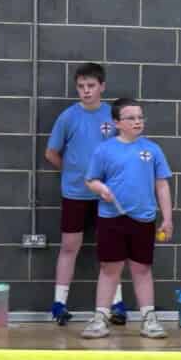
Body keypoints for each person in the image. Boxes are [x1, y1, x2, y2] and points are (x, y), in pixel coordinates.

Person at [81, 98, 173, 340]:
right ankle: (100, 318)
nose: (137, 122)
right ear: (117, 123)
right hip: (111, 218)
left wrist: (167, 218)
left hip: (143, 218)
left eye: (140, 117)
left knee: (142, 269)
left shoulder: (153, 150)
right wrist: (101, 188)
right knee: (109, 268)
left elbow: (162, 185)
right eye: (131, 118)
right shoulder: (104, 150)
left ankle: (149, 319)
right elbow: (90, 180)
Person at [45, 63, 125, 326]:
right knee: (69, 246)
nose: (86, 91)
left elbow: (124, 149)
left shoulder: (113, 116)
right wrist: (72, 173)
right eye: (81, 86)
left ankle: (116, 304)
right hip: (75, 194)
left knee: (110, 249)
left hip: (106, 195)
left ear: (102, 86)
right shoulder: (68, 117)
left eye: (91, 86)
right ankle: (59, 304)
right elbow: (51, 153)